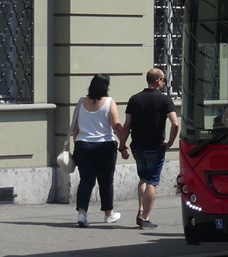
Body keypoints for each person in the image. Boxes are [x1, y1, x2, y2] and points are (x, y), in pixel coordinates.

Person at [119, 68, 180, 230]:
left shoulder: (134, 99)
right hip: (155, 146)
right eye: (164, 80)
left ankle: (140, 210)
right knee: (152, 181)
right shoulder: (165, 100)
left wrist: (122, 145)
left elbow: (126, 126)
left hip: (137, 146)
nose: (164, 82)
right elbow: (175, 123)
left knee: (143, 179)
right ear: (158, 80)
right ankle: (145, 218)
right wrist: (170, 142)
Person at [69, 73, 125, 227]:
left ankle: (82, 214)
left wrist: (78, 144)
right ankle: (108, 214)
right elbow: (116, 125)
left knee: (86, 181)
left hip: (83, 145)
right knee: (106, 181)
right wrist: (123, 145)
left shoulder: (81, 102)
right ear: (105, 87)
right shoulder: (109, 102)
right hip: (105, 146)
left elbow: (75, 128)